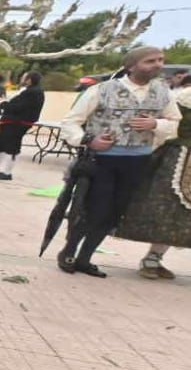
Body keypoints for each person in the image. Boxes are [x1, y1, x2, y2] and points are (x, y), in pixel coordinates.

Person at [56, 47, 180, 277]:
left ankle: (85, 258)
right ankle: (69, 252)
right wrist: (88, 140)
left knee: (114, 212)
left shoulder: (164, 93)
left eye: (160, 60)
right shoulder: (102, 90)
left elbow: (174, 123)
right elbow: (71, 121)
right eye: (150, 61)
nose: (158, 65)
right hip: (102, 160)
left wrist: (156, 125)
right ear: (131, 66)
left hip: (138, 161)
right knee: (92, 208)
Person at [118, 76, 191, 279]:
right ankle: (153, 258)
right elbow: (169, 124)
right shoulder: (185, 97)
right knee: (170, 211)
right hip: (179, 158)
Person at [0, 72, 44, 181]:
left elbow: (17, 107)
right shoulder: (29, 91)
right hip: (10, 122)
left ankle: (7, 172)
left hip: (18, 123)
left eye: (25, 77)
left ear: (30, 79)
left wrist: (1, 102)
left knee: (11, 147)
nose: (22, 78)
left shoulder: (32, 92)